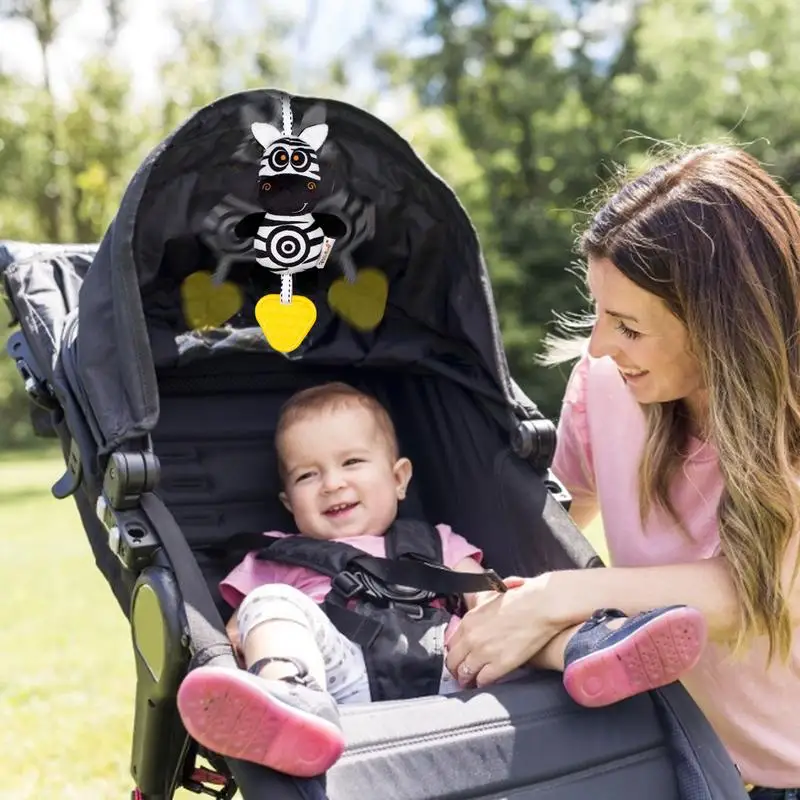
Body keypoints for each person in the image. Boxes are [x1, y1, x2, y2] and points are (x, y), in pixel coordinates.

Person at [443, 145, 800, 799]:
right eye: (599, 311)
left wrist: (556, 597)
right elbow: (550, 528)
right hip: (676, 766)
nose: (599, 345)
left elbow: (751, 597)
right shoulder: (605, 384)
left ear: (721, 328)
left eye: (628, 326)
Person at [176, 382, 705, 777]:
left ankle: (593, 653)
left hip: (449, 665)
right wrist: (247, 643)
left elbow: (486, 601)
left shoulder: (438, 543)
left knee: (514, 615)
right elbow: (241, 626)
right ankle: (285, 702)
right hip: (335, 683)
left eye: (352, 462)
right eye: (307, 475)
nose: (332, 483)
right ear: (289, 503)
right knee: (270, 603)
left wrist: (506, 621)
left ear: (400, 478)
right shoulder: (277, 557)